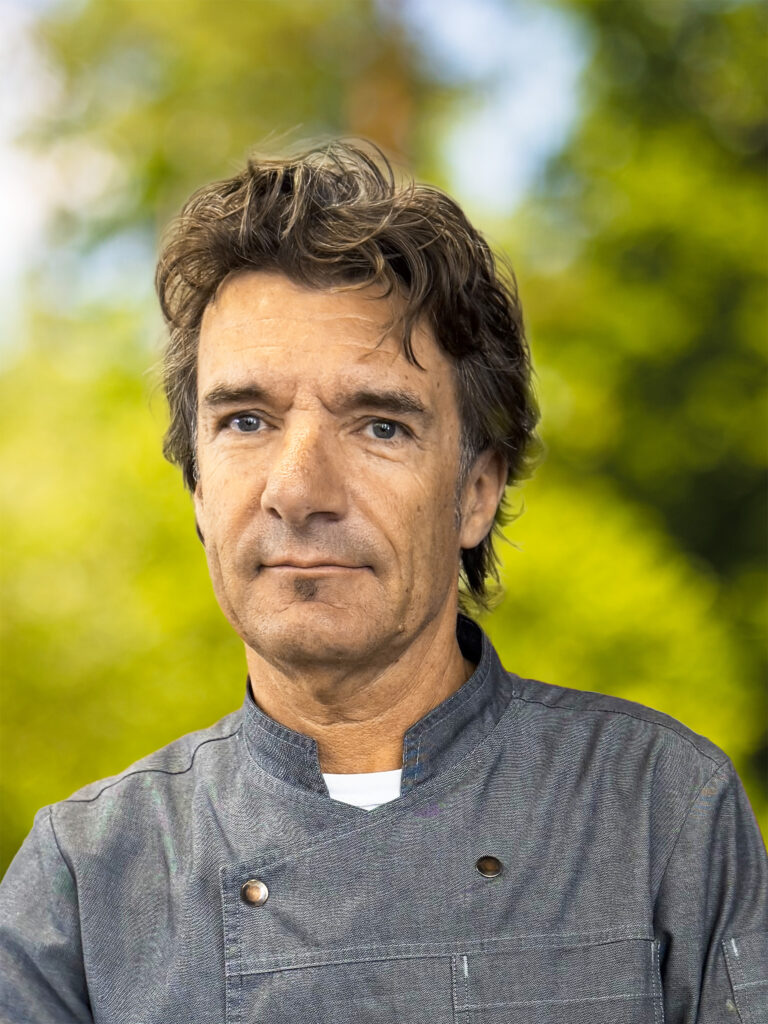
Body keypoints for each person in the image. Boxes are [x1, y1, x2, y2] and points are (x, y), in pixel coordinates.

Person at [1, 140, 765, 1024]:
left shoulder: (661, 811)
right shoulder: (82, 881)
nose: (298, 490)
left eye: (379, 426)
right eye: (245, 420)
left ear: (476, 493)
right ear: (199, 489)